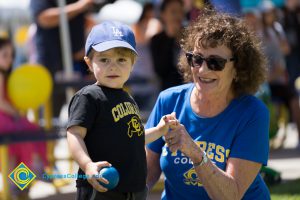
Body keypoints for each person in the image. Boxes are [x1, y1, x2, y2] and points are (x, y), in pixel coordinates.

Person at [146, 7, 271, 200]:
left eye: (215, 62)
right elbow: (147, 173)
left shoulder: (253, 112)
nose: (202, 70)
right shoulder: (168, 100)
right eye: (196, 59)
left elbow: (231, 195)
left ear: (238, 68)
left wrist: (195, 153)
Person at [66, 21, 178, 200]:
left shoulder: (127, 98)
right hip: (102, 188)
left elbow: (134, 137)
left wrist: (160, 130)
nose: (113, 66)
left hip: (135, 190)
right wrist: (87, 165)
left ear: (133, 63)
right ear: (88, 62)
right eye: (104, 59)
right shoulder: (89, 96)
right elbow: (74, 135)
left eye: (121, 60)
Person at [0, 37, 47, 199]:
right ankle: (23, 181)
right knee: (28, 139)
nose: (10, 59)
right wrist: (16, 113)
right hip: (4, 121)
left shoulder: (5, 75)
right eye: (5, 55)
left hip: (6, 120)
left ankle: (17, 185)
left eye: (11, 55)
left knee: (15, 151)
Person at [29, 0, 94, 118]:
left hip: (77, 65)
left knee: (85, 116)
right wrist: (79, 7)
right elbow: (44, 18)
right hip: (50, 67)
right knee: (49, 119)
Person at [150, 0, 185, 91]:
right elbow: (160, 70)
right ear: (163, 14)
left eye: (180, 11)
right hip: (167, 90)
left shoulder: (190, 35)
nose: (178, 15)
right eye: (173, 11)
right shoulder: (156, 39)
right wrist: (171, 38)